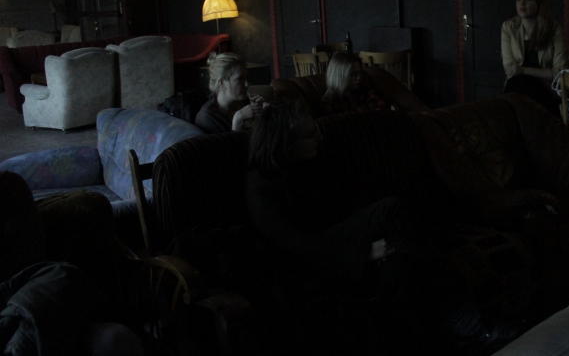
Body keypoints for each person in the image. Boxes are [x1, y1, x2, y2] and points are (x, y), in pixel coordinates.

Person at [245, 100, 503, 355]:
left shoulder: (314, 161)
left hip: (340, 245)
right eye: (311, 135)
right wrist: (365, 252)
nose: (320, 138)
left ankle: (445, 342)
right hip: (310, 264)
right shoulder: (260, 185)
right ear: (286, 142)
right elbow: (294, 247)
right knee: (391, 211)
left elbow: (353, 204)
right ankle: (464, 320)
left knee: (400, 269)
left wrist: (378, 239)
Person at [501, 0, 569, 113]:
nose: (522, 3)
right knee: (516, 84)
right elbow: (510, 70)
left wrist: (523, 70)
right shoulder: (509, 27)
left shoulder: (554, 29)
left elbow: (560, 72)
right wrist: (520, 72)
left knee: (518, 86)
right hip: (519, 86)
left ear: (539, 3)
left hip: (548, 86)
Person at [195, 52, 264, 133]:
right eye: (240, 79)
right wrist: (237, 123)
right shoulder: (207, 118)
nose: (246, 84)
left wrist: (263, 114)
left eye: (246, 78)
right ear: (222, 83)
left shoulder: (245, 102)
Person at [319, 52, 385, 116]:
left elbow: (380, 109)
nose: (359, 77)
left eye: (359, 72)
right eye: (353, 74)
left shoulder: (363, 90)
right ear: (339, 76)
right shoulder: (329, 102)